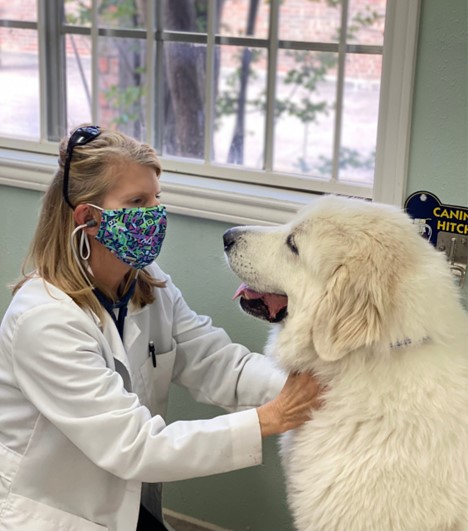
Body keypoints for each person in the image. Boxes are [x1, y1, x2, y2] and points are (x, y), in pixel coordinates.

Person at [0, 125, 321, 531]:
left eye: (156, 198)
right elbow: (136, 446)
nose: (155, 214)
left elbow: (220, 365)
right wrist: (271, 418)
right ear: (88, 218)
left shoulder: (146, 283)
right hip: (56, 513)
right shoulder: (44, 321)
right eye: (137, 202)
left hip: (130, 501)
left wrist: (322, 388)